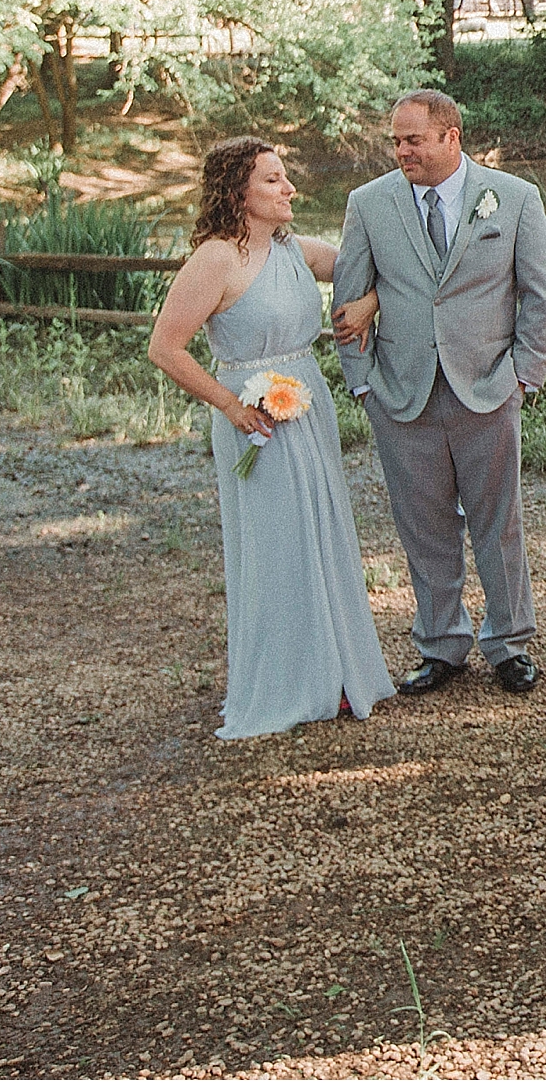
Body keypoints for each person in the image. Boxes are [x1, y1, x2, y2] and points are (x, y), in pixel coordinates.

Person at [147, 136, 394, 739]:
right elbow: (164, 347)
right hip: (252, 415)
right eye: (273, 181)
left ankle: (334, 671)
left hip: (309, 403)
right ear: (239, 193)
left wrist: (369, 303)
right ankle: (287, 678)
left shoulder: (293, 249)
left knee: (322, 530)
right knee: (276, 543)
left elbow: (380, 267)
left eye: (285, 179)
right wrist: (230, 404)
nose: (289, 190)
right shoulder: (215, 259)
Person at [328, 88, 546, 695]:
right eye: (396, 141)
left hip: (488, 386)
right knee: (422, 523)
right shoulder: (369, 204)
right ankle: (441, 644)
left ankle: (509, 643)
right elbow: (349, 300)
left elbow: (542, 294)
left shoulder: (512, 198)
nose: (401, 150)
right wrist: (363, 386)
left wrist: (524, 375)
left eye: (413, 140)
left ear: (449, 137)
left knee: (498, 520)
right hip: (401, 393)